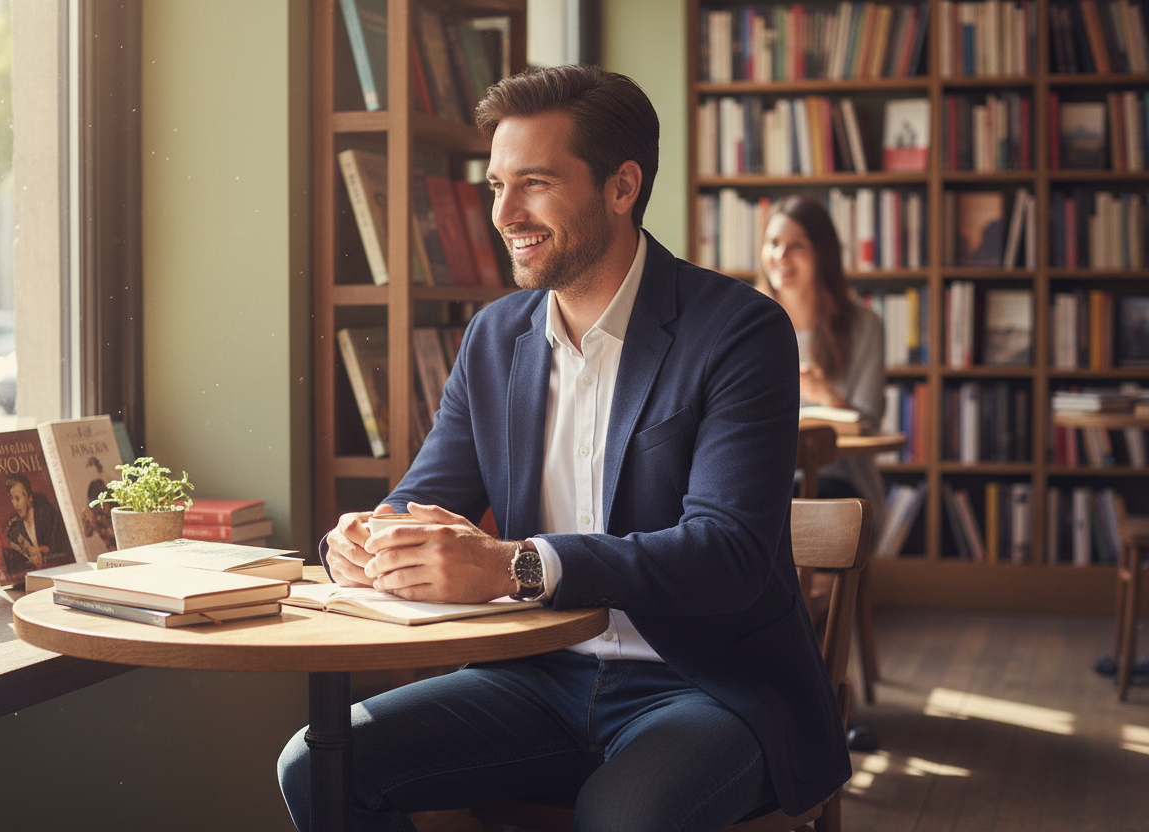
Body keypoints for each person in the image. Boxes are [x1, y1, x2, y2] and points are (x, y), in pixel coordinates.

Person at [278, 65, 850, 832]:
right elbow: (424, 495)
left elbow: (730, 553)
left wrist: (518, 565)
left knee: (620, 817)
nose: (505, 213)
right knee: (317, 766)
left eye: (535, 183)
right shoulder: (494, 338)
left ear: (622, 187)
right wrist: (365, 539)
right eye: (494, 187)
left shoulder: (740, 332)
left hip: (707, 685)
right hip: (534, 680)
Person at [757, 196, 886, 525]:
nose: (780, 256)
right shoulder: (747, 325)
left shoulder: (864, 327)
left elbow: (869, 426)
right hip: (761, 474)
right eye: (773, 243)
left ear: (822, 255)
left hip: (838, 481)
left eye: (796, 245)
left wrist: (824, 393)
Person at [3, 472, 73, 573]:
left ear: (29, 498)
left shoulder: (47, 516)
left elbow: (64, 550)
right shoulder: (13, 528)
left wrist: (45, 552)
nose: (14, 504)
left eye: (18, 499)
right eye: (12, 499)